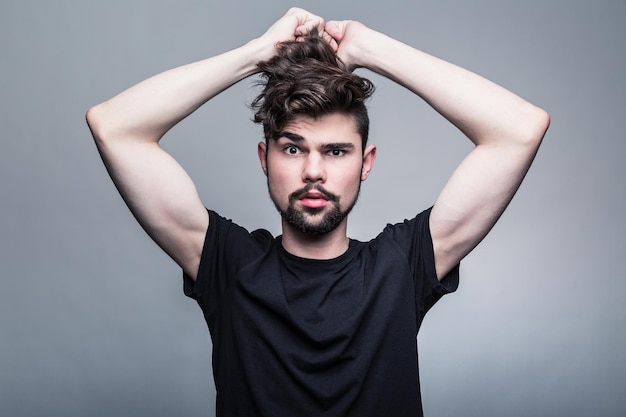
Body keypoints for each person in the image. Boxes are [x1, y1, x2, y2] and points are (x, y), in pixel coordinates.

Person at [86, 8, 549, 417]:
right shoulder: (228, 265)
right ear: (265, 159)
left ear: (365, 163)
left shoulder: (401, 265)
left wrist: (371, 48)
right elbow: (115, 126)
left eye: (335, 151)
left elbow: (520, 129)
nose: (313, 172)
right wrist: (258, 53)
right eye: (293, 149)